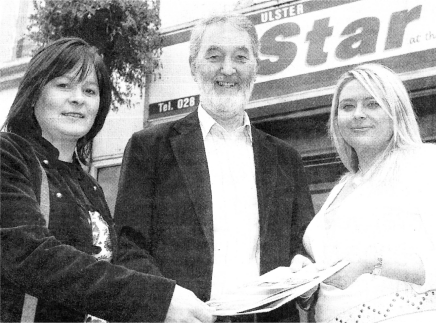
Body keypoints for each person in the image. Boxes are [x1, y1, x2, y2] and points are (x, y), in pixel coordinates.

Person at [114, 13, 315, 322]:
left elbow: (302, 248)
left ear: (255, 69)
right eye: (215, 56)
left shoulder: (287, 159)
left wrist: (304, 268)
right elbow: (128, 248)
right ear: (194, 66)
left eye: (240, 57)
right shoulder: (150, 148)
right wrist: (167, 302)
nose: (228, 69)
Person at [1, 37, 215, 323]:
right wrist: (156, 298)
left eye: (90, 90)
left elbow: (114, 262)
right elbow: (29, 255)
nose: (78, 98)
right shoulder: (8, 154)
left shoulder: (89, 185)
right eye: (63, 85)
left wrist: (183, 295)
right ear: (34, 92)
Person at [296, 63, 436, 322]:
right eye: (347, 106)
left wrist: (374, 262)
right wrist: (308, 279)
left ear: (396, 113)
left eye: (372, 104)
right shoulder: (339, 189)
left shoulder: (426, 164)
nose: (358, 114)